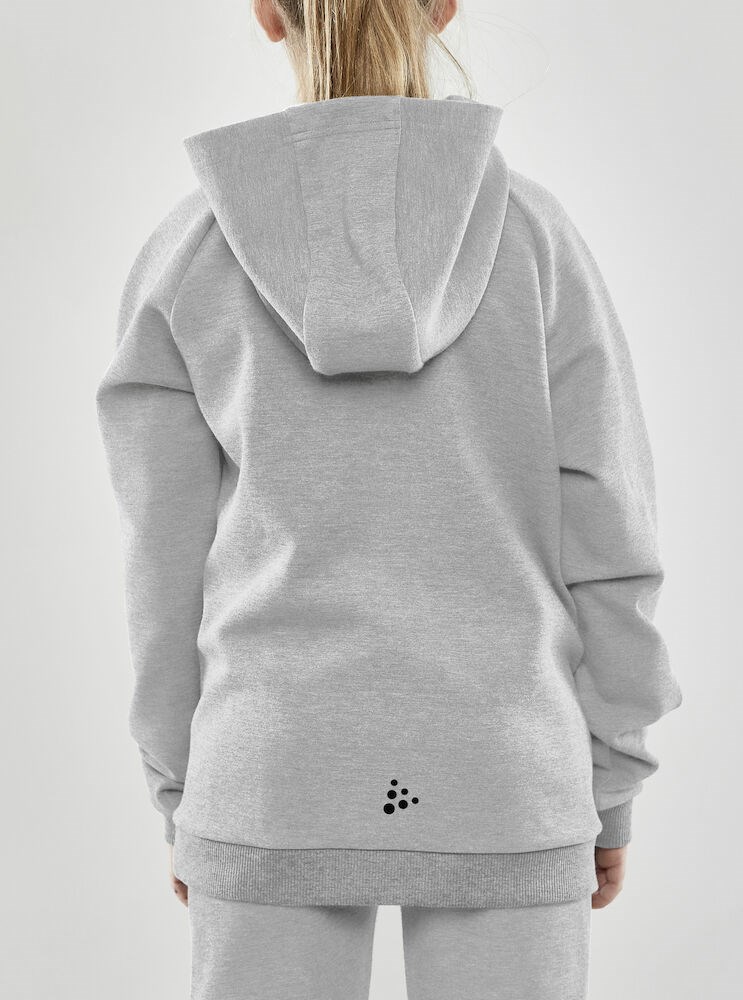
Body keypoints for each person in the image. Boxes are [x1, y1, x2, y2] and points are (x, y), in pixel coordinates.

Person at [95, 1, 683, 997]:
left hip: (270, 767)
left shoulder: (188, 253)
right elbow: (612, 533)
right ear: (444, 6)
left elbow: (161, 566)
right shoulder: (536, 238)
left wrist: (185, 792)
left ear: (269, 13)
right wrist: (610, 777)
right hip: (505, 761)